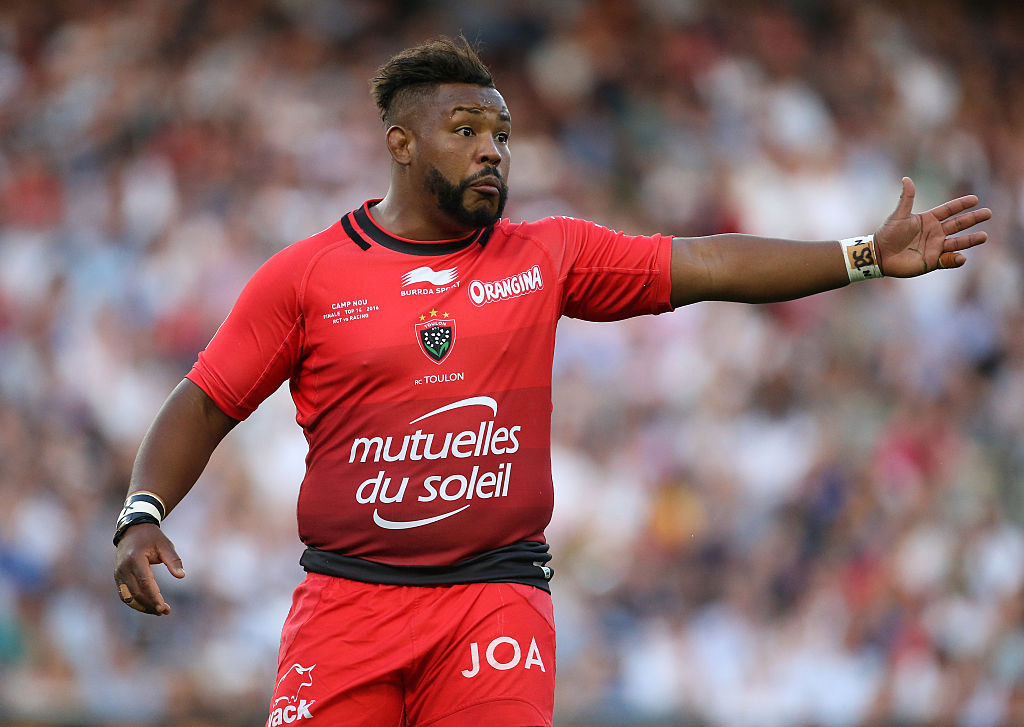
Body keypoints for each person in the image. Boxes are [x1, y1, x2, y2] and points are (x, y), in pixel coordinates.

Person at [113, 36, 990, 727]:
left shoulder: (547, 256)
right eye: (466, 131)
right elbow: (206, 400)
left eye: (502, 135)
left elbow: (709, 264)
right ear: (401, 144)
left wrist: (863, 255)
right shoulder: (306, 276)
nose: (492, 151)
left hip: (495, 599)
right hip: (346, 602)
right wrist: (142, 512)